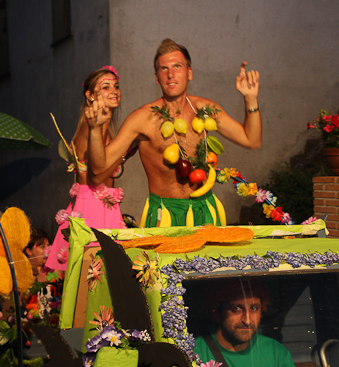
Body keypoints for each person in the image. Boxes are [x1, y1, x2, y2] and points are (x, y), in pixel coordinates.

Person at [86, 39, 261, 227]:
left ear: (189, 73)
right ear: (156, 78)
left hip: (205, 210)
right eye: (164, 69)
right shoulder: (142, 118)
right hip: (164, 215)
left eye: (177, 67)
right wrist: (95, 129)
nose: (170, 75)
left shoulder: (205, 109)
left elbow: (251, 140)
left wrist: (250, 99)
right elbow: (98, 171)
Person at [45, 66, 129, 272]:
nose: (114, 91)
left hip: (99, 205)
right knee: (96, 276)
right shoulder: (93, 129)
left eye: (116, 86)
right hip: (94, 209)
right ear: (90, 95)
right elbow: (95, 176)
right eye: (105, 87)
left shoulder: (101, 128)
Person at [192, 280, 305, 367]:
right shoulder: (194, 351)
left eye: (254, 308)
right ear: (217, 313)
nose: (247, 320)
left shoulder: (276, 352)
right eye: (236, 309)